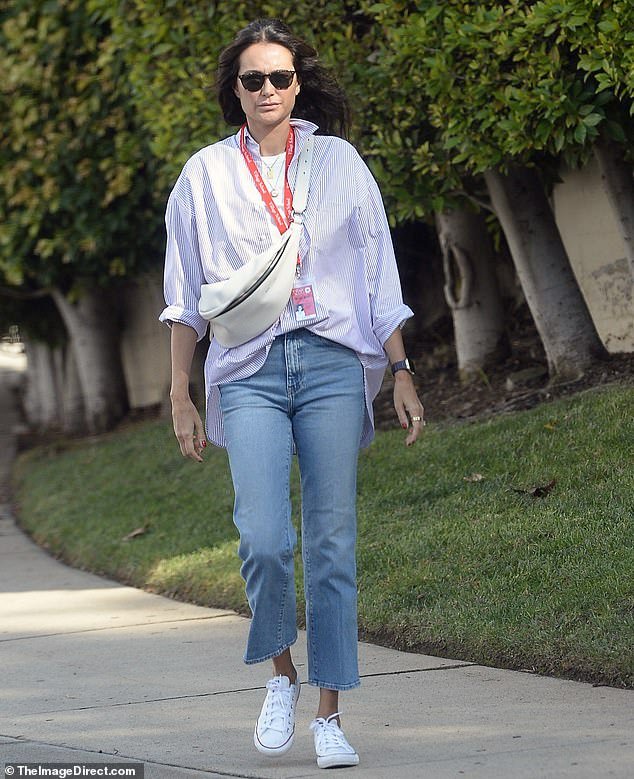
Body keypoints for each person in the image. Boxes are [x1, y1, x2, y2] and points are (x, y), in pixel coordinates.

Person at [160, 18, 425, 770]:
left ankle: (331, 713)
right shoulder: (204, 176)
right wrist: (180, 393)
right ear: (234, 92)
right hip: (248, 371)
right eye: (254, 79)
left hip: (335, 364)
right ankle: (281, 675)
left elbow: (379, 277)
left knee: (333, 542)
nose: (269, 89)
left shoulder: (338, 163)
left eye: (281, 77)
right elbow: (184, 299)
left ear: (298, 83)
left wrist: (401, 371)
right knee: (265, 538)